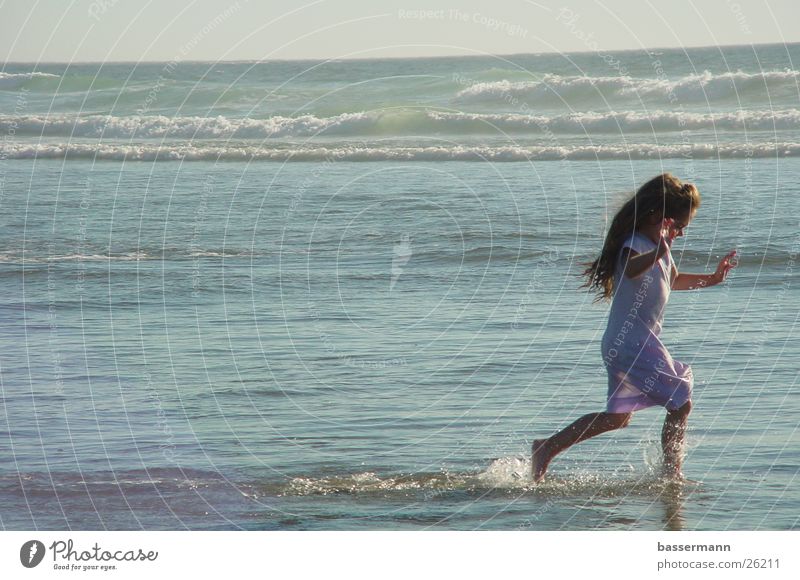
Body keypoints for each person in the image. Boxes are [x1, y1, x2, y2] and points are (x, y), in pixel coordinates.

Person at [531, 173, 737, 483]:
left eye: (683, 229)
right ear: (657, 217)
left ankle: (546, 447)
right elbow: (629, 269)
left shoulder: (659, 250)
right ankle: (672, 474)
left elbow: (675, 280)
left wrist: (714, 278)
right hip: (630, 345)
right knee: (681, 401)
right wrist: (660, 250)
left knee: (618, 418)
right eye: (677, 227)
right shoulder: (636, 244)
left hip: (634, 343)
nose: (679, 234)